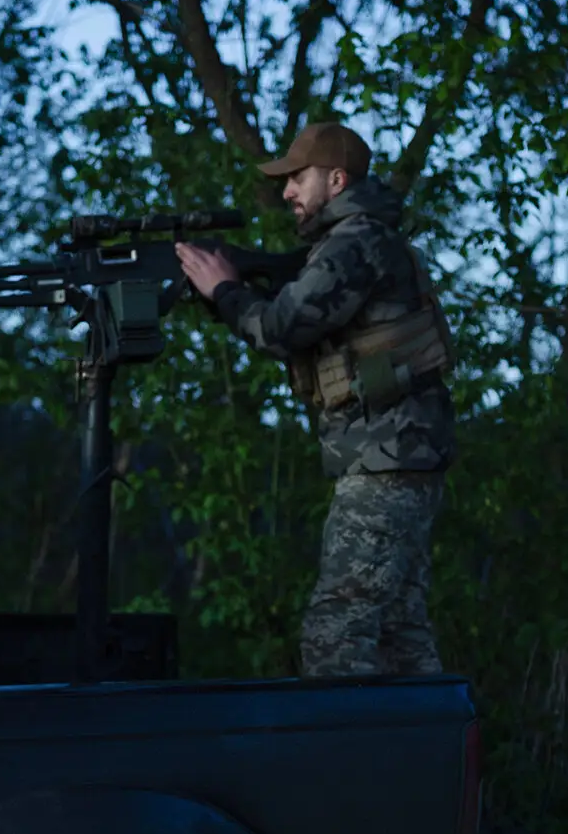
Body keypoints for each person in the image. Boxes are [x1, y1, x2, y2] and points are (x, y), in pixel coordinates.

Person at [175, 121, 456, 677]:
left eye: (296, 178)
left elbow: (279, 328)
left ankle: (350, 739)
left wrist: (223, 289)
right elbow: (296, 307)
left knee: (337, 634)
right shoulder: (358, 241)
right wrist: (232, 289)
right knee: (400, 636)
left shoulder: (355, 243)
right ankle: (433, 733)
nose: (286, 192)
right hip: (399, 453)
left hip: (386, 457)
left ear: (336, 180)